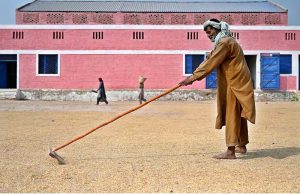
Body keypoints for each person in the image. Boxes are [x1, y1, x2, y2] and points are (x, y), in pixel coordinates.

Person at [179, 19, 256, 159]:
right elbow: (212, 58)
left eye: (210, 32)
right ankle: (241, 145)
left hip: (235, 83)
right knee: (237, 113)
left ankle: (230, 151)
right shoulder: (226, 41)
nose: (208, 35)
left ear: (217, 29)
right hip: (238, 82)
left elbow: (210, 63)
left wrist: (191, 78)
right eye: (207, 33)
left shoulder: (225, 43)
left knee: (232, 113)